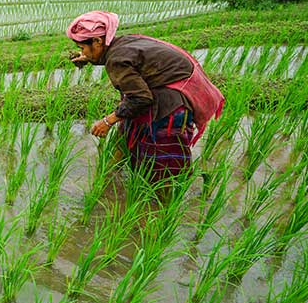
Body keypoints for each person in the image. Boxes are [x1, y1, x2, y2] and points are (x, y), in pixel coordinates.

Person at [66, 11, 224, 180]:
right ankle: (109, 179)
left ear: (97, 41)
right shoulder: (122, 42)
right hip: (163, 92)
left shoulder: (117, 59)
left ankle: (184, 189)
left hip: (170, 105)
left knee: (162, 170)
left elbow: (141, 99)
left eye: (82, 48)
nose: (82, 52)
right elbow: (123, 62)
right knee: (127, 140)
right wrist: (88, 58)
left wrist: (107, 121)